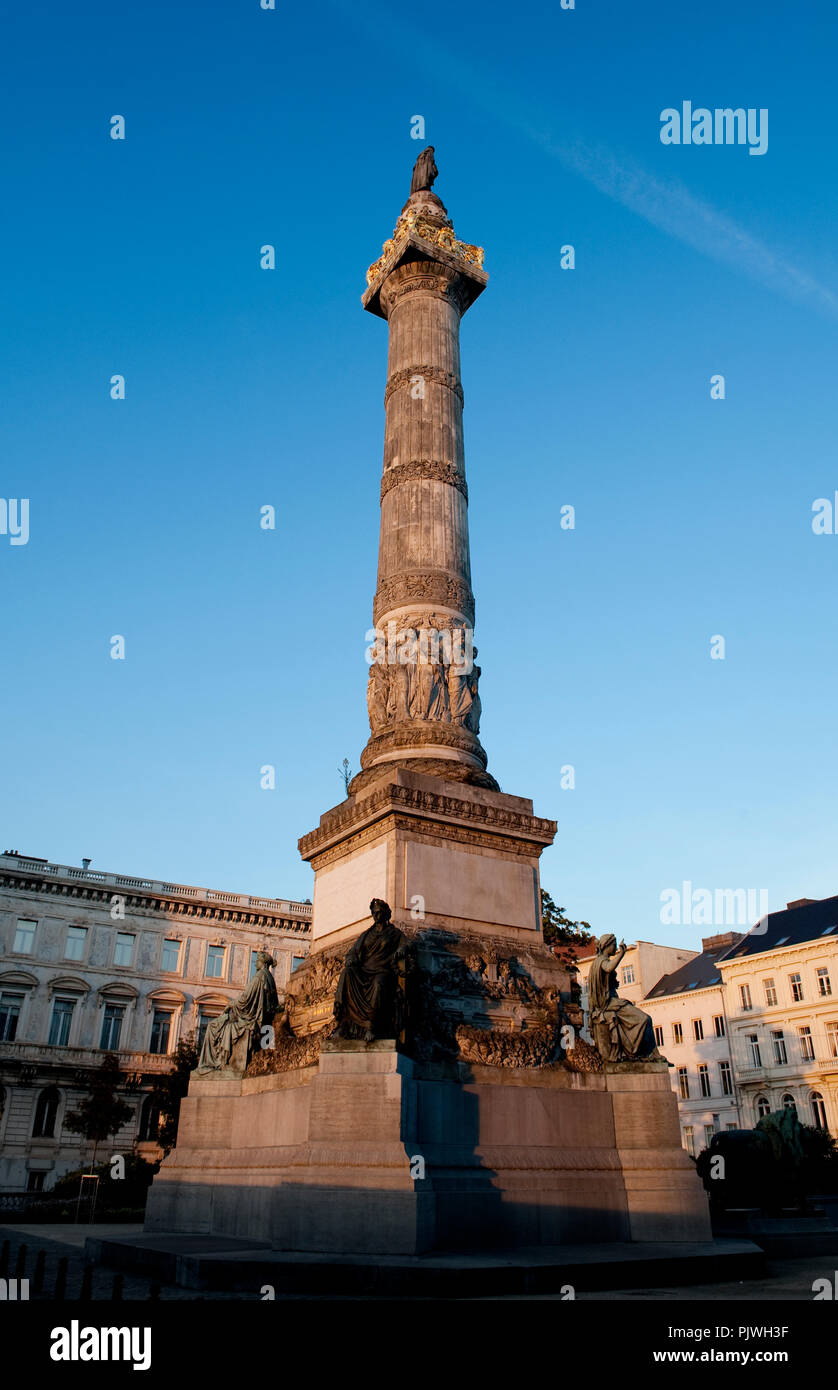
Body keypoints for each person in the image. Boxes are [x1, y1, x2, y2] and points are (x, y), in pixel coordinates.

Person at [334, 899, 407, 1042]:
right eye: (374, 913)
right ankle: (342, 1022)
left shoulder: (394, 933)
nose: (376, 916)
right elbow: (353, 951)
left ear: (386, 914)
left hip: (382, 971)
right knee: (347, 973)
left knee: (379, 984)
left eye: (379, 913)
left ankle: (371, 1026)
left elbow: (407, 944)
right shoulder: (367, 934)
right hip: (364, 970)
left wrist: (402, 949)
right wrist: (350, 958)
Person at [197, 949, 278, 1073]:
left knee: (213, 1026)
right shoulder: (270, 978)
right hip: (255, 1016)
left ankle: (212, 1063)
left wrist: (231, 1005)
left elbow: (245, 999)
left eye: (257, 961)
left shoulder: (259, 977)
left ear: (263, 963)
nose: (255, 963)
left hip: (249, 1017)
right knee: (219, 1024)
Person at [587, 935, 660, 1062]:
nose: (615, 947)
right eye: (613, 945)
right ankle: (641, 1053)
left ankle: (650, 1054)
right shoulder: (601, 961)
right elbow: (609, 967)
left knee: (645, 1019)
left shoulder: (599, 961)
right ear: (606, 946)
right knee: (645, 1019)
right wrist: (622, 954)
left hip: (612, 1001)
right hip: (608, 1003)